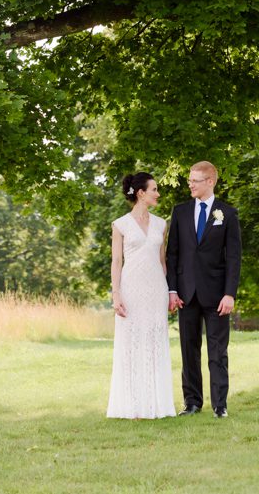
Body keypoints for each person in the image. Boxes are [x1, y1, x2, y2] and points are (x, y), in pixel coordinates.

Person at [166, 161, 241, 418]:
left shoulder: (227, 214)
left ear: (210, 181)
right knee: (189, 350)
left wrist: (230, 293)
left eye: (195, 180)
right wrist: (172, 290)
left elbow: (234, 257)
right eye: (189, 180)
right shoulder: (181, 211)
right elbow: (172, 253)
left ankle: (220, 405)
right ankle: (192, 403)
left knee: (217, 352)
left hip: (218, 295)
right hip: (186, 294)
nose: (190, 184)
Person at [107, 172, 176, 419]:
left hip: (156, 288)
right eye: (154, 189)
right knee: (132, 343)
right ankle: (132, 406)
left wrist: (170, 291)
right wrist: (116, 295)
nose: (158, 193)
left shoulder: (161, 224)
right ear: (141, 193)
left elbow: (162, 260)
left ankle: (158, 405)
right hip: (131, 288)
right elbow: (116, 262)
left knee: (155, 341)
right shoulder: (120, 224)